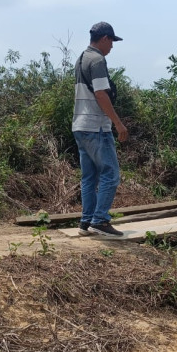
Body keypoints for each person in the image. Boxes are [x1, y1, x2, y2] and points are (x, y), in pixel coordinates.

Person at [72, 22, 129, 237]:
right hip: (96, 126)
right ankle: (100, 219)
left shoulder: (81, 59)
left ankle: (86, 222)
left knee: (89, 177)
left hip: (80, 125)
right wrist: (118, 123)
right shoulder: (97, 60)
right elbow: (101, 94)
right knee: (111, 174)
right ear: (104, 38)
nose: (112, 47)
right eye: (112, 42)